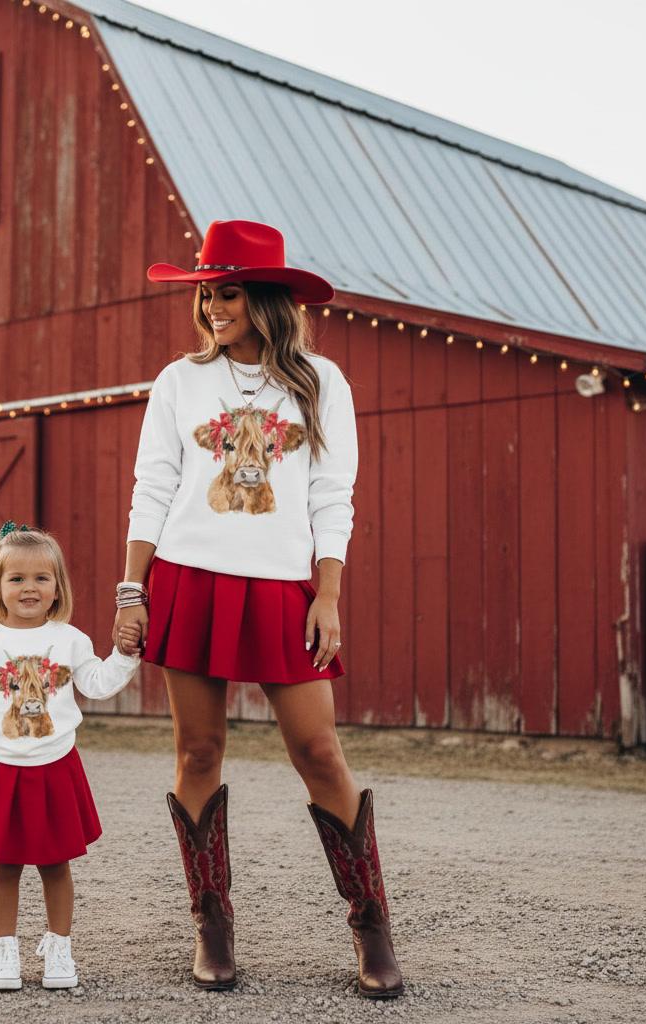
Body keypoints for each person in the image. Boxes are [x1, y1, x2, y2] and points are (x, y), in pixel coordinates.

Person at [113, 220, 404, 998]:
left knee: (318, 751)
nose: (212, 306)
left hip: (281, 586)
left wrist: (329, 594)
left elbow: (331, 495)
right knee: (198, 753)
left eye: (228, 292)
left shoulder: (321, 382)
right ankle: (213, 925)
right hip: (189, 578)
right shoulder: (179, 381)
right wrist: (131, 593)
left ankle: (371, 925)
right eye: (205, 293)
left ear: (267, 298)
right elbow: (153, 488)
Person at [0, 521, 142, 992]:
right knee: (4, 865)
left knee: (56, 863)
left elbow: (96, 683)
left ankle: (59, 947)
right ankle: (5, 950)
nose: (29, 588)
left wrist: (126, 655)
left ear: (57, 588)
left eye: (40, 579)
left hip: (55, 766)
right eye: (16, 579)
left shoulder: (70, 639)